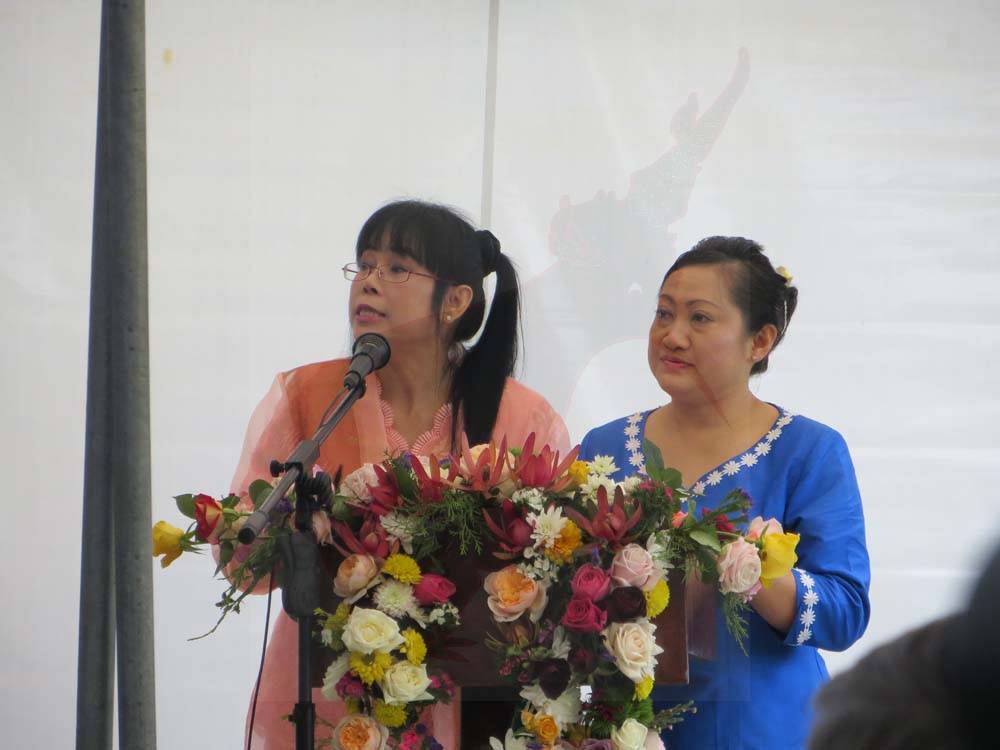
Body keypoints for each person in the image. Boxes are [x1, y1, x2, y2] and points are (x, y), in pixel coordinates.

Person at [226, 200, 570, 750]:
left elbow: (557, 566)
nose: (369, 281)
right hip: (331, 688)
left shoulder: (523, 416)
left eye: (396, 268)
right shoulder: (311, 396)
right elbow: (243, 554)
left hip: (468, 699)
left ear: (455, 301)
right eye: (363, 265)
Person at [577, 236, 871, 750]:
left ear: (760, 341)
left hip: (761, 731)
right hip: (623, 728)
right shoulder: (604, 446)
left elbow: (845, 613)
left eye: (700, 318)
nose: (672, 335)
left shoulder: (809, 450)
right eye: (663, 314)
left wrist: (756, 575)